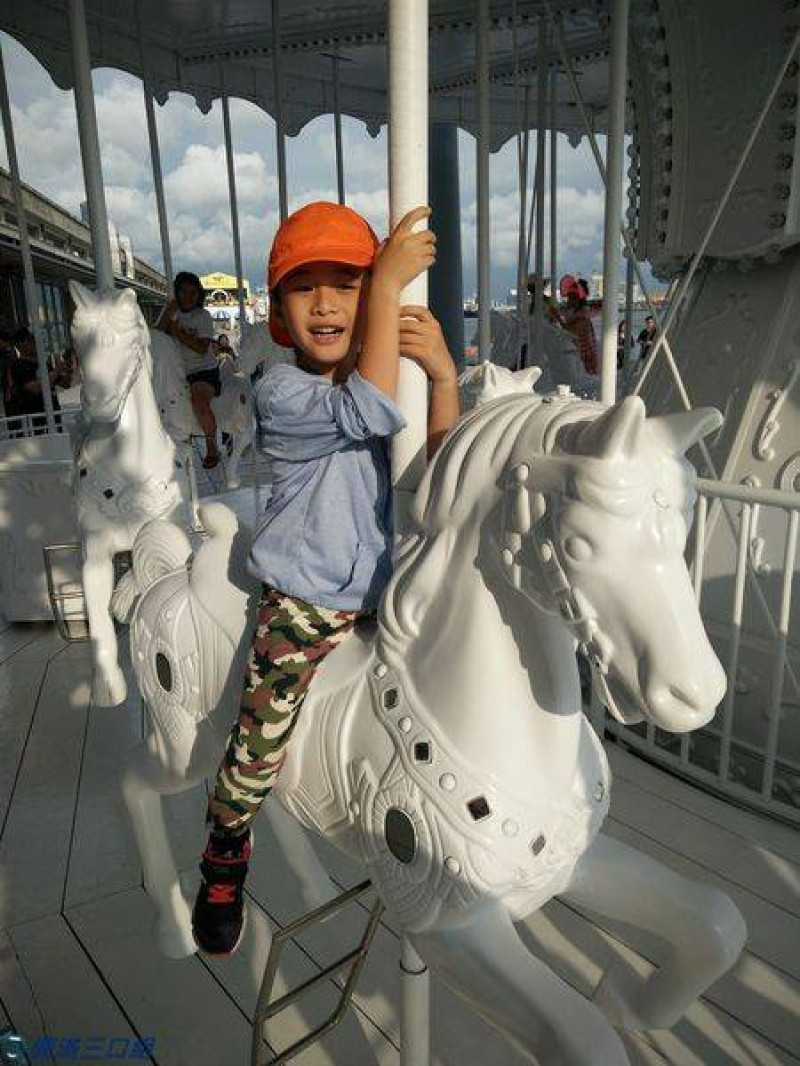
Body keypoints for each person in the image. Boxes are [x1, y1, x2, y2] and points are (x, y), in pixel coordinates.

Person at [191, 200, 459, 956]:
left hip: (384, 592)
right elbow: (365, 408)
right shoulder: (282, 391)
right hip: (304, 602)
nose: (326, 304)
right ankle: (225, 847)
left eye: (346, 285)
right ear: (279, 311)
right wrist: (388, 287)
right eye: (304, 289)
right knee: (260, 733)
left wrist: (443, 377)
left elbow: (441, 471)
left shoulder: (386, 380)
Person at [155, 272, 221, 468]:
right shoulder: (171, 313)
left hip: (202, 371)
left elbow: (202, 348)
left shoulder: (202, 316)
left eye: (193, 293)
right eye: (183, 292)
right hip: (177, 370)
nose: (188, 297)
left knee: (199, 402)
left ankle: (211, 444)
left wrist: (178, 332)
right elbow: (156, 337)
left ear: (198, 295)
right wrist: (167, 314)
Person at [5, 327, 67, 423]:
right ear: (20, 344)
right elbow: (35, 388)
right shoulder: (18, 366)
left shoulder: (42, 363)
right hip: (35, 419)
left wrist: (65, 368)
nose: (35, 343)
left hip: (53, 416)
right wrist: (56, 371)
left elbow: (65, 384)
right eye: (31, 340)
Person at [561, 277, 598, 375]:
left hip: (583, 350)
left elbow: (572, 331)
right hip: (580, 347)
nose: (568, 299)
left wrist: (559, 319)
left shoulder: (582, 314)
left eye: (570, 297)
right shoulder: (575, 312)